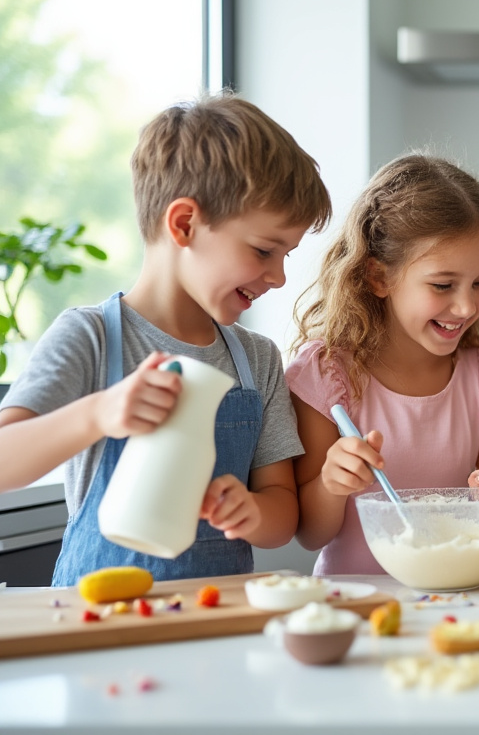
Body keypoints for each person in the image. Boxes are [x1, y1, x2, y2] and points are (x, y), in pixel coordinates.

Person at [0, 93, 332, 585]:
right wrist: (99, 413)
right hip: (97, 623)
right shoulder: (90, 338)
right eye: (265, 250)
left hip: (212, 622)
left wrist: (252, 513)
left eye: (285, 255)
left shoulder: (255, 359)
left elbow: (282, 514)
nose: (279, 277)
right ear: (184, 224)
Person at [287, 154, 479, 576]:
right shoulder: (327, 376)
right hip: (355, 601)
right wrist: (331, 484)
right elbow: (311, 533)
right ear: (378, 277)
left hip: (456, 594)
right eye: (442, 284)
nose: (467, 304)